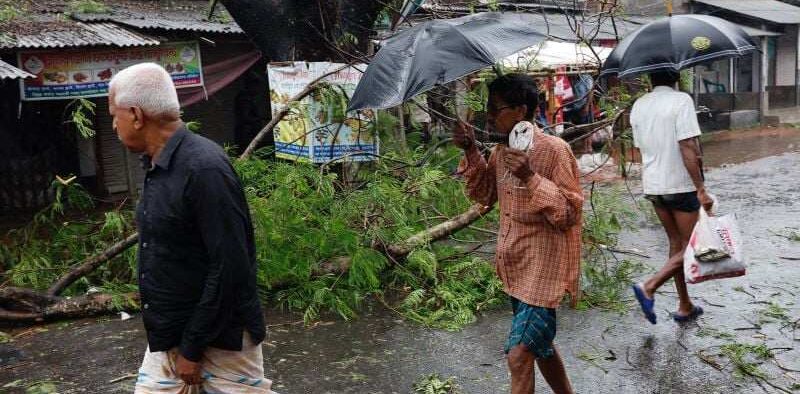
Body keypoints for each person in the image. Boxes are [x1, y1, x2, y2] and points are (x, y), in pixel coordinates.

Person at [108, 63, 276, 393]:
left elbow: (231, 267)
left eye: (115, 114)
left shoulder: (204, 169)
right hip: (173, 335)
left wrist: (192, 347)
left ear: (137, 115)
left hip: (221, 341)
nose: (113, 125)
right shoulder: (158, 166)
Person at [453, 73, 583, 394]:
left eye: (497, 109)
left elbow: (568, 214)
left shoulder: (555, 151)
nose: (490, 116)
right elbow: (484, 195)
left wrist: (529, 176)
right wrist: (471, 149)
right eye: (489, 109)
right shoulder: (500, 153)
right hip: (516, 270)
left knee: (519, 356)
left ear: (522, 111)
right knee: (541, 346)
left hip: (544, 273)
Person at [629, 70, 714, 325]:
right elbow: (687, 145)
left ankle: (685, 305)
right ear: (677, 77)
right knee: (693, 246)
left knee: (676, 243)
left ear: (649, 79)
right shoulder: (681, 101)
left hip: (654, 185)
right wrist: (700, 188)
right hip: (679, 184)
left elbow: (641, 146)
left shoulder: (639, 105)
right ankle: (649, 286)